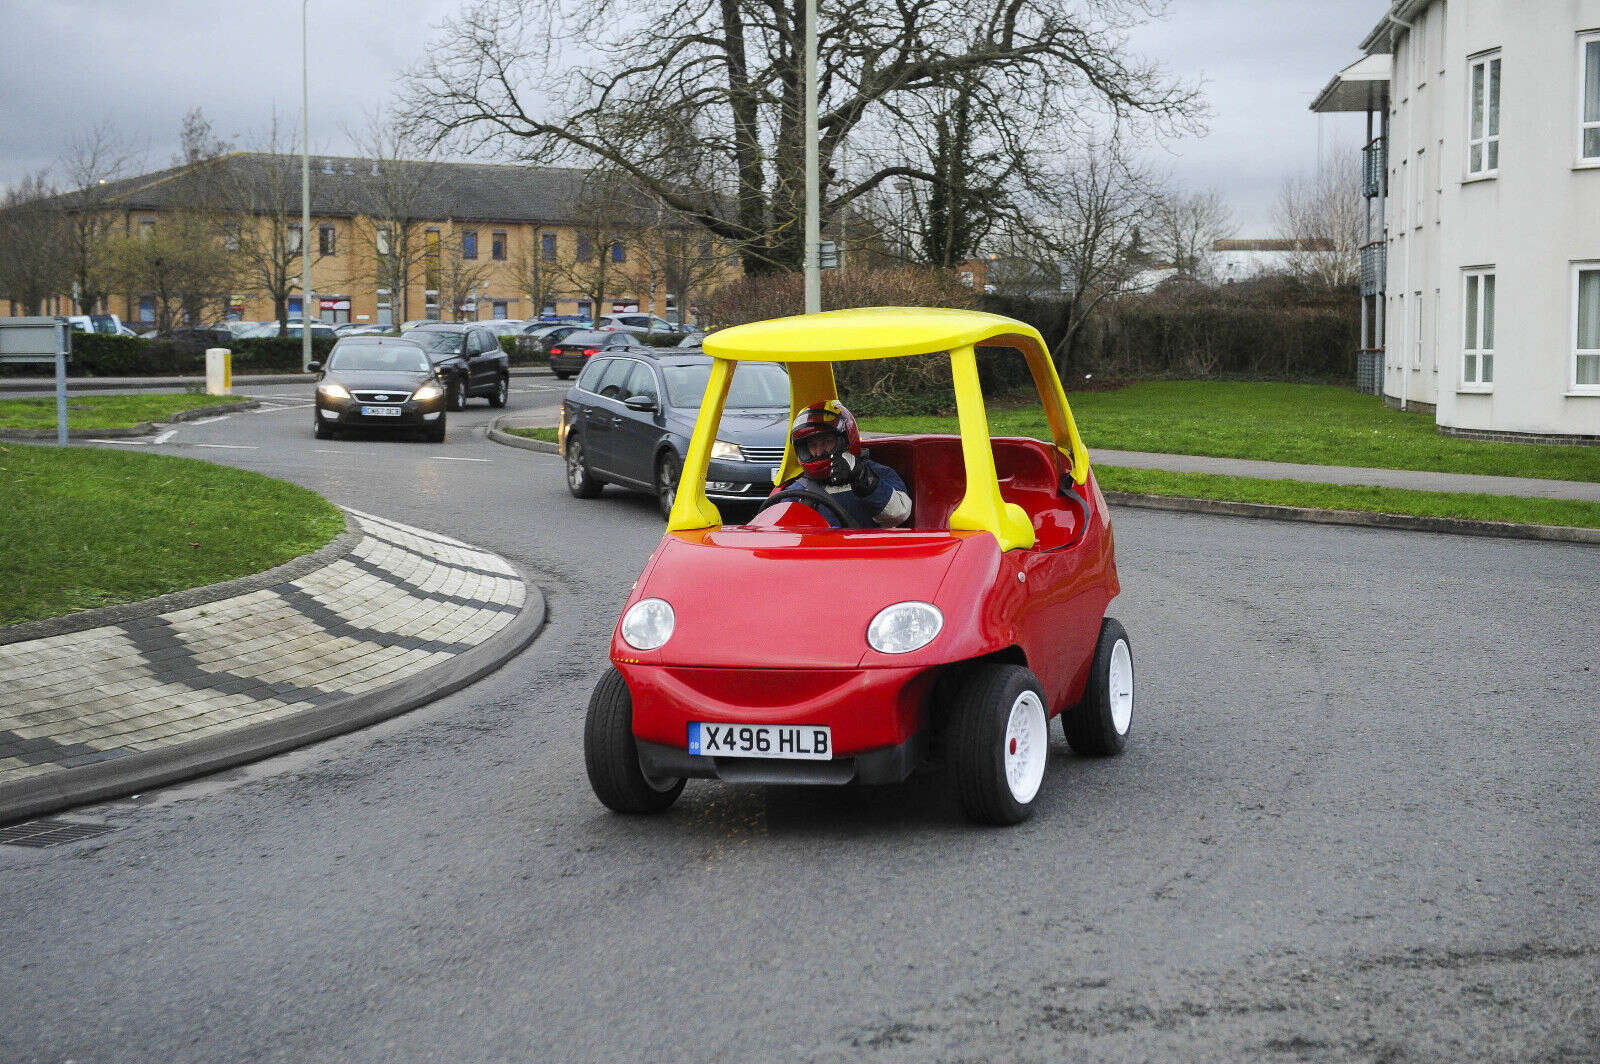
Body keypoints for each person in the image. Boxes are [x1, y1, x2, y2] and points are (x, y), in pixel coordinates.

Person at [783, 400, 912, 528]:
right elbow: (779, 531)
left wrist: (862, 479)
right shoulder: (798, 490)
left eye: (826, 442)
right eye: (812, 445)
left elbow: (899, 515)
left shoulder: (878, 473)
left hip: (866, 547)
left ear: (845, 440)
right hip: (821, 548)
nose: (819, 451)